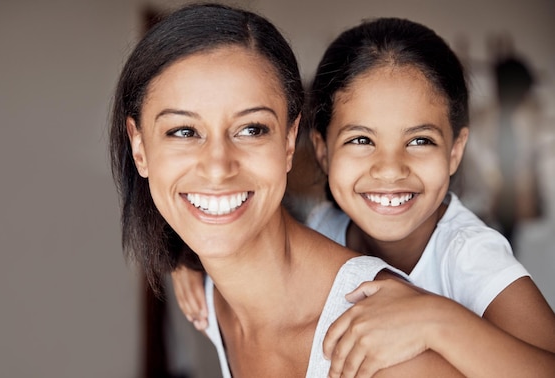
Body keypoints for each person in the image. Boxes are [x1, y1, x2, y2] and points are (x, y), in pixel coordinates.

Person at [171, 16, 555, 378]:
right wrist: (188, 261)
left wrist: (437, 320)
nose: (390, 169)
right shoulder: (322, 225)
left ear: (455, 151)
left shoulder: (469, 253)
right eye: (361, 140)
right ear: (322, 150)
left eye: (420, 140)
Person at [109, 4, 465, 377]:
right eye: (183, 132)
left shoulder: (382, 346)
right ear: (139, 147)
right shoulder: (212, 298)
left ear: (290, 141)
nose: (217, 167)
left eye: (251, 129)